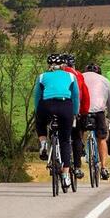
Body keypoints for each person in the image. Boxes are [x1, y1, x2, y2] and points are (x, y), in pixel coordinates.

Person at [34, 54, 80, 186]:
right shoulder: (71, 76)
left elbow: (37, 96)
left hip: (47, 105)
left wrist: (39, 112)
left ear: (49, 66)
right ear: (63, 65)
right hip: (65, 106)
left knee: (40, 122)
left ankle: (43, 143)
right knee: (65, 140)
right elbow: (76, 96)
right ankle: (65, 175)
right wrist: (75, 113)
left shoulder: (42, 76)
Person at [83, 63, 110, 180]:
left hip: (83, 111)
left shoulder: (80, 77)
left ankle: (79, 151)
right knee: (102, 138)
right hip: (99, 112)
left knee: (78, 133)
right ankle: (103, 168)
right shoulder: (104, 80)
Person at [60, 53, 90, 179]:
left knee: (59, 136)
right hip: (73, 110)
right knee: (76, 137)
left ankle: (56, 160)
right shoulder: (78, 75)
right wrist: (83, 112)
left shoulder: (55, 74)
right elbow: (84, 95)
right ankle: (77, 167)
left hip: (57, 109)